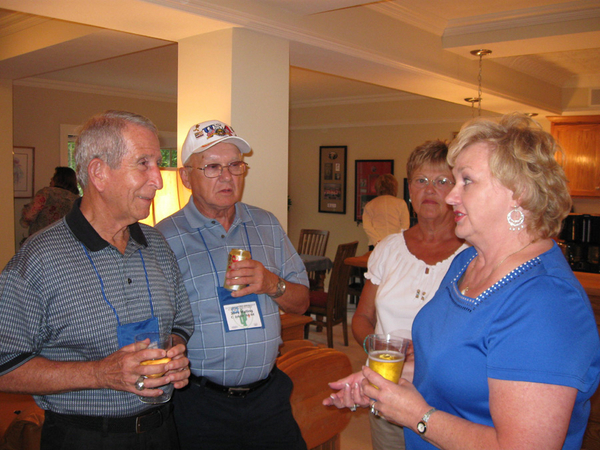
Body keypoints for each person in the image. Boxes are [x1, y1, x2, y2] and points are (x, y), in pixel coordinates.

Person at [324, 113, 600, 450]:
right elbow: (445, 367)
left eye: (466, 181)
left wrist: (417, 416)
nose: (451, 196)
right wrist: (383, 382)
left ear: (519, 193)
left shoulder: (546, 303)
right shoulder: (467, 262)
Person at [0, 110, 194, 449]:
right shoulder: (39, 259)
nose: (159, 180)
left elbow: (181, 322)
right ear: (99, 173)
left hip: (162, 432)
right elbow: (5, 365)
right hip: (84, 437)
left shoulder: (158, 244)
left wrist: (173, 353)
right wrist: (100, 373)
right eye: (144, 163)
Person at [156, 120, 310, 450]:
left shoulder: (267, 224)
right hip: (200, 404)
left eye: (235, 165)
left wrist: (271, 284)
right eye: (212, 167)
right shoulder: (163, 239)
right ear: (186, 177)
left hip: (268, 399)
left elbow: (302, 303)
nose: (227, 177)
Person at [352, 140, 468, 450]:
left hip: (447, 402)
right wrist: (374, 345)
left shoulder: (473, 254)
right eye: (421, 180)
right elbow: (362, 318)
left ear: (457, 190)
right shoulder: (388, 249)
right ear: (410, 191)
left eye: (442, 181)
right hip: (387, 392)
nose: (430, 190)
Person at [20, 166, 80, 237]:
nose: (51, 179)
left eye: (54, 176)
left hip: (42, 240)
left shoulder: (46, 193)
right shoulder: (77, 199)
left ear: (59, 179)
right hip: (65, 241)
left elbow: (29, 216)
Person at [362, 173, 410, 250]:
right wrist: (396, 240)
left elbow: (367, 226)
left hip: (375, 245)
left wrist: (377, 241)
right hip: (396, 245)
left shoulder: (370, 205)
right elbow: (405, 225)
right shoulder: (401, 203)